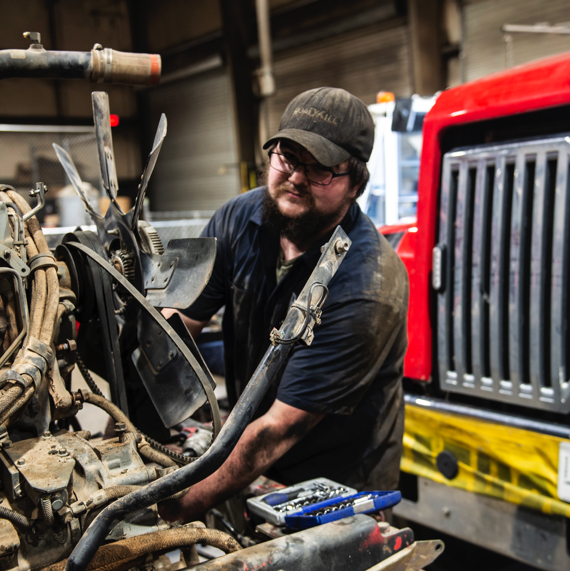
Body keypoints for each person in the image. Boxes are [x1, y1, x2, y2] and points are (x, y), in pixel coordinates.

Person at [159, 87, 409, 523]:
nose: (295, 177)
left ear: (356, 184)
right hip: (249, 458)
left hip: (337, 487)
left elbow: (279, 429)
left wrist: (169, 509)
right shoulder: (236, 220)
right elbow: (172, 331)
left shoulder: (367, 284)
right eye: (288, 157)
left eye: (321, 171)